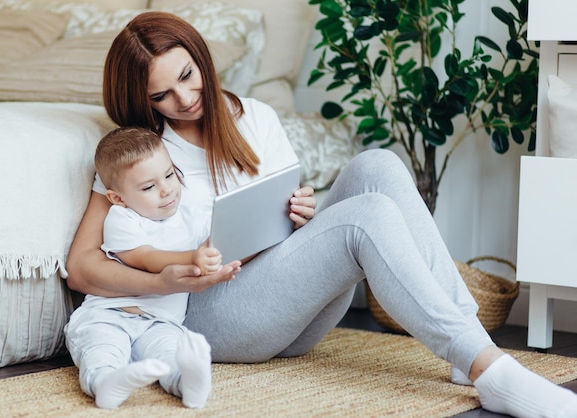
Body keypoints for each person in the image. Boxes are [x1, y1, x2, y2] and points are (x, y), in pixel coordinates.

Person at [65, 11, 577, 417]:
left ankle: (471, 348)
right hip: (206, 317)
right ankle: (489, 370)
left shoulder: (254, 117)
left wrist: (305, 215)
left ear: (200, 58)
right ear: (142, 99)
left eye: (187, 76)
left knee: (377, 166)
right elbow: (83, 264)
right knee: (364, 218)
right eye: (162, 95)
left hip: (284, 304)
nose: (185, 98)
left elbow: (289, 232)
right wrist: (167, 280)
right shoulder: (141, 156)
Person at [64, 127, 221, 409]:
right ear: (118, 198)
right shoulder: (122, 218)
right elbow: (144, 258)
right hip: (110, 313)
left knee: (171, 354)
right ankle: (105, 382)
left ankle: (188, 384)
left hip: (160, 322)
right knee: (102, 348)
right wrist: (192, 257)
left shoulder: (191, 216)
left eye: (170, 175)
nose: (167, 190)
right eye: (149, 187)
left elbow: (218, 239)